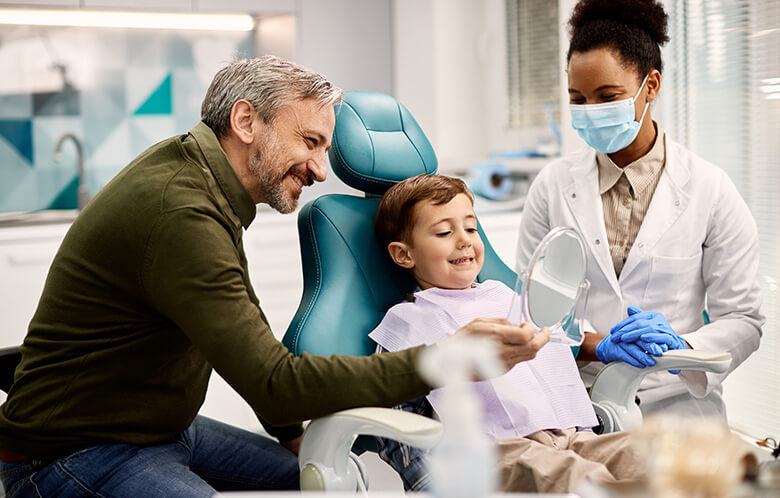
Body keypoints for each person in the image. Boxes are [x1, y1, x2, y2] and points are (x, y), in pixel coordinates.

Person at [0, 56, 545, 498]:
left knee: (329, 480)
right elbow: (275, 383)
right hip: (75, 453)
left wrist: (292, 436)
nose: (321, 169)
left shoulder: (203, 183)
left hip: (163, 428)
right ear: (245, 122)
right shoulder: (180, 213)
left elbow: (245, 334)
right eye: (310, 142)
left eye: (326, 149)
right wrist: (445, 358)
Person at [516, 0, 764, 419]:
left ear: (651, 85)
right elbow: (527, 311)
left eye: (607, 96)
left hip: (676, 406)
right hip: (576, 404)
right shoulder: (552, 186)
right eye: (578, 98)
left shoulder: (710, 188)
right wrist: (597, 344)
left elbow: (743, 318)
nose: (591, 111)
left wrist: (681, 345)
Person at [370, 174, 646, 493]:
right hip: (496, 454)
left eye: (471, 228)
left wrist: (607, 343)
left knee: (652, 459)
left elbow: (554, 342)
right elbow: (394, 419)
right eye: (444, 232)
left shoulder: (505, 296)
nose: (464, 240)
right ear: (404, 254)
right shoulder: (408, 322)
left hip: (572, 437)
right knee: (581, 480)